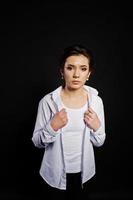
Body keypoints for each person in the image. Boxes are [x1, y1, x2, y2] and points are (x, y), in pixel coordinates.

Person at [32, 44, 106, 199]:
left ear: (89, 73)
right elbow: (37, 142)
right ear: (61, 71)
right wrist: (52, 127)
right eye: (70, 68)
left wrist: (97, 127)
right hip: (54, 174)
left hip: (84, 175)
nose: (76, 74)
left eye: (83, 68)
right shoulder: (48, 102)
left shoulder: (96, 102)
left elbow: (99, 142)